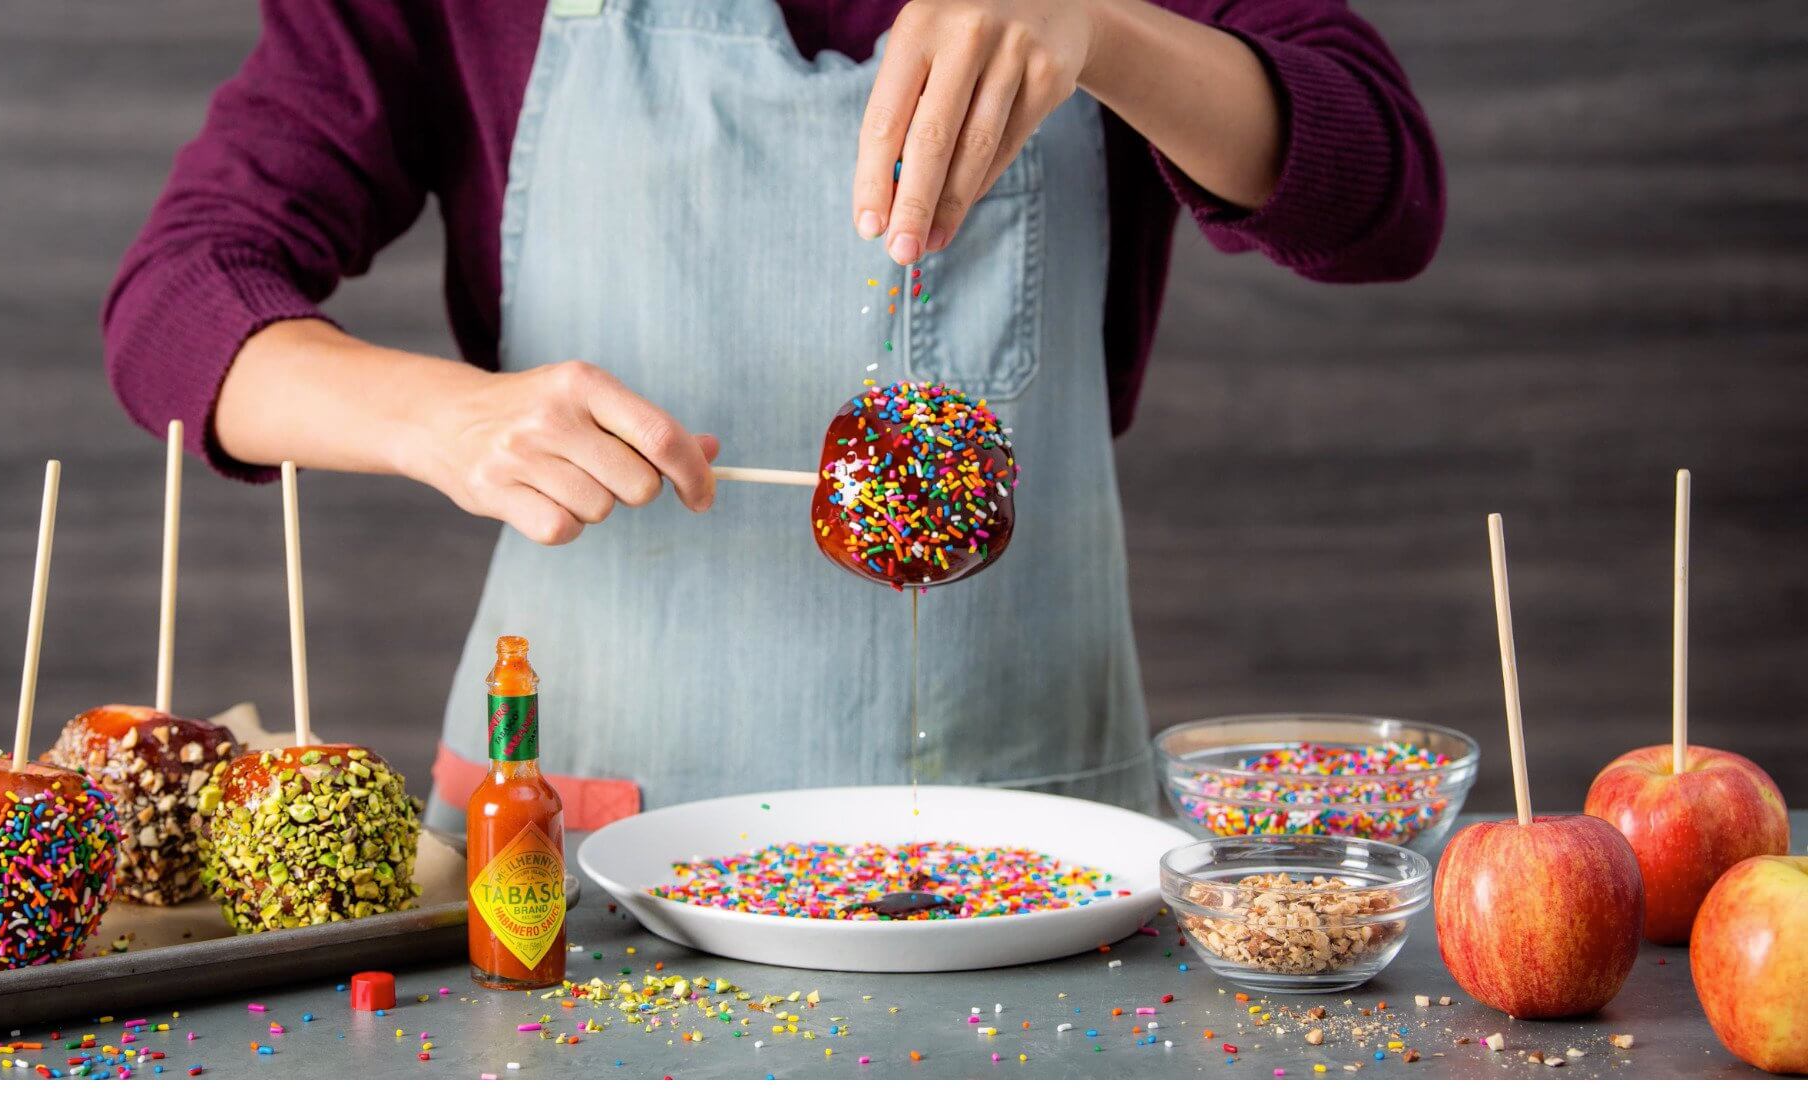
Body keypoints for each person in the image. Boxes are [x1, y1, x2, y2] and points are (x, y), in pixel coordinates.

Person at [106, 0, 1443, 834]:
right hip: (570, 844)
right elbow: (175, 303)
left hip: (1033, 847)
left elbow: (1381, 191)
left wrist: (1104, 32)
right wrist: (437, 418)